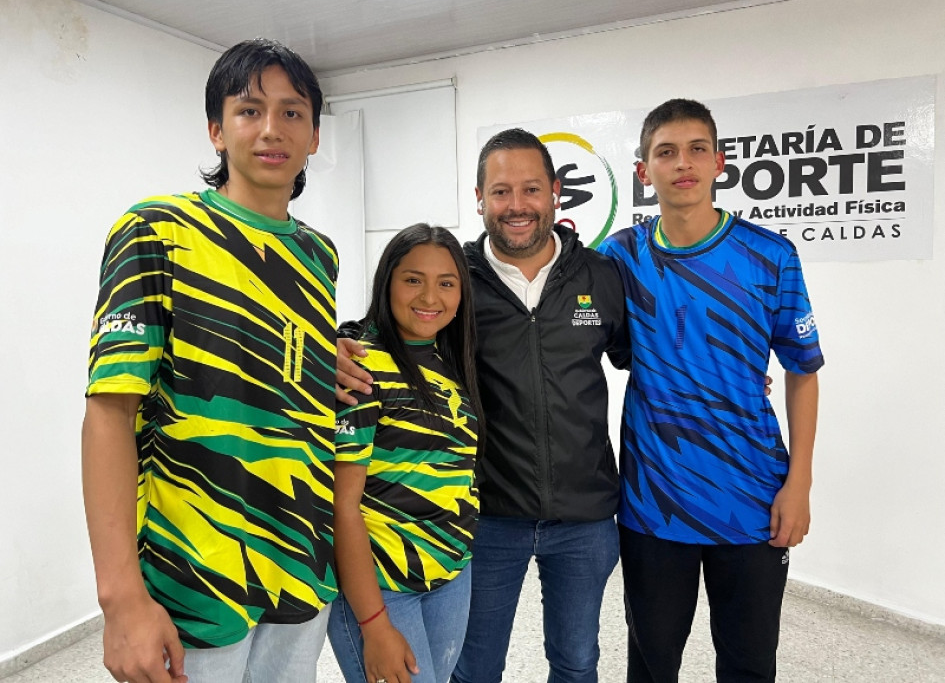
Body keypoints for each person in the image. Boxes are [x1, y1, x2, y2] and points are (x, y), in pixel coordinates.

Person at [82, 39, 338, 683]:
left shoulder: (319, 255)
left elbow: (271, 358)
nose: (272, 129)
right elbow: (109, 412)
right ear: (216, 130)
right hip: (192, 576)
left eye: (292, 112)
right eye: (250, 111)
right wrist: (120, 601)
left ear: (313, 136)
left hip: (301, 566)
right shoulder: (155, 230)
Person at [338, 129, 631, 682]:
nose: (516, 205)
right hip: (488, 517)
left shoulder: (600, 275)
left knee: (578, 661)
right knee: (474, 669)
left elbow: (639, 357)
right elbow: (390, 325)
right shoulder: (458, 278)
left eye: (530, 189)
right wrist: (336, 343)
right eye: (500, 192)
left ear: (555, 194)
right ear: (479, 198)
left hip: (586, 516)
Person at [597, 98, 823, 682]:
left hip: (751, 498)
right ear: (644, 171)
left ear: (720, 161)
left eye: (698, 148)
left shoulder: (771, 256)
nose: (684, 163)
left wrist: (799, 482)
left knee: (749, 664)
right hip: (653, 501)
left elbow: (802, 371)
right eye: (666, 152)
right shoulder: (618, 258)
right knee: (650, 664)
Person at [328, 223, 483, 683]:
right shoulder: (361, 367)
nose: (430, 297)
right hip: (381, 585)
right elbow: (342, 504)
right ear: (387, 282)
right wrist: (374, 626)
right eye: (413, 279)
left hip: (451, 572)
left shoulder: (450, 361)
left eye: (447, 283)